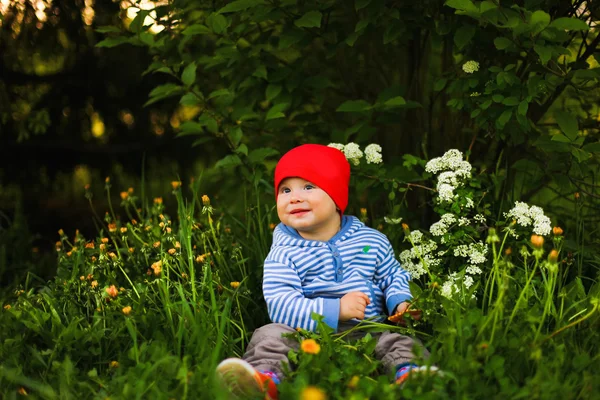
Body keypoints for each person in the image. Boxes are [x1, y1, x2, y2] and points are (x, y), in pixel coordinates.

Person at [216, 144, 436, 399]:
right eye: (285, 190)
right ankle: (265, 380)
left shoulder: (371, 240)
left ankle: (412, 376)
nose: (294, 197)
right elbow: (280, 303)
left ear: (336, 197)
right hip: (303, 333)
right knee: (269, 336)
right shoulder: (284, 251)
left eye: (308, 187)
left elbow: (392, 276)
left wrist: (400, 302)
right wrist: (336, 310)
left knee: (399, 340)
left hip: (368, 329)